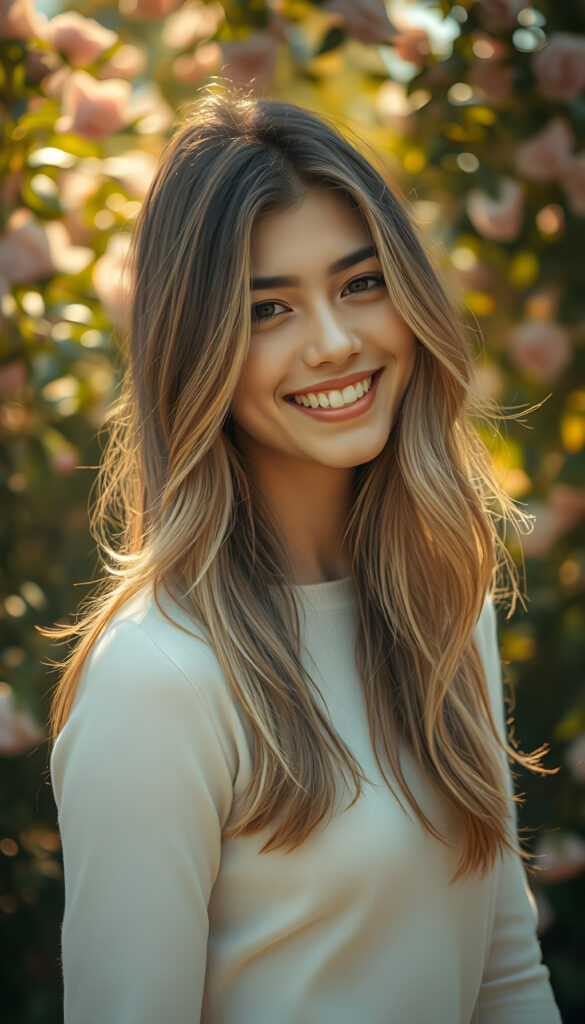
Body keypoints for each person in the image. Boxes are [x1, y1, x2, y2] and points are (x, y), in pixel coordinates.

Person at [44, 85, 562, 1023]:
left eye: (360, 284)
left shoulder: (445, 601)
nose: (333, 343)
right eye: (269, 309)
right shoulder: (158, 678)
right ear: (194, 349)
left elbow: (502, 976)